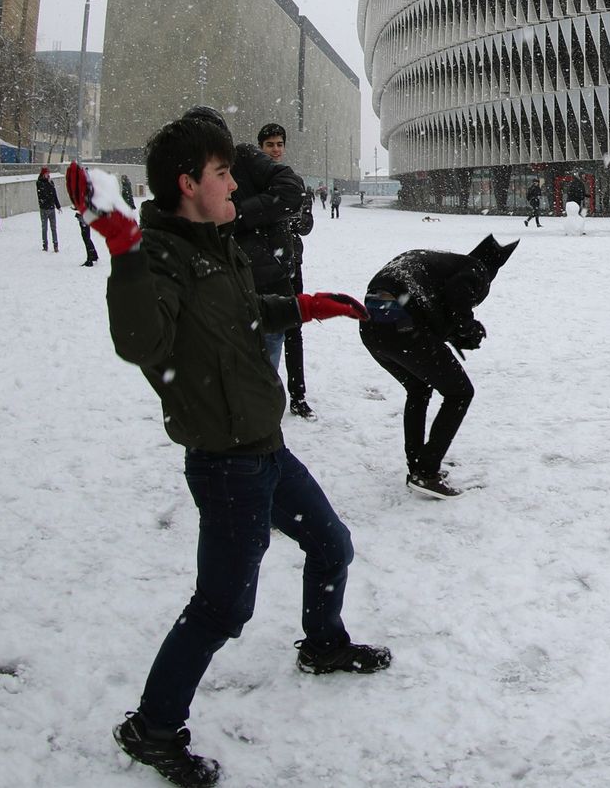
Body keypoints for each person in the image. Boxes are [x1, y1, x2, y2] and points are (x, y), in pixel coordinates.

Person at [85, 115, 386, 788]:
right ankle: (153, 728)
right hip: (226, 465)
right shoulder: (163, 255)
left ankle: (323, 644)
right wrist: (126, 255)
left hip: (266, 447)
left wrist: (306, 305)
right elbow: (140, 342)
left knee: (332, 543)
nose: (234, 184)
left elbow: (248, 312)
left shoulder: (218, 244)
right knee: (221, 609)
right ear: (190, 184)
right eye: (222, 173)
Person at [359, 236, 517, 498]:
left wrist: (455, 332)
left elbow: (431, 304)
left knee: (419, 387)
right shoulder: (475, 269)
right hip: (402, 328)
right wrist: (468, 326)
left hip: (372, 327)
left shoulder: (439, 263)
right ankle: (426, 471)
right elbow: (458, 294)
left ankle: (417, 467)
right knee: (460, 393)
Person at [182, 107, 305, 373]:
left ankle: (290, 398)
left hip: (267, 283)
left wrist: (237, 215)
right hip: (218, 294)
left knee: (265, 370)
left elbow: (291, 190)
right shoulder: (185, 180)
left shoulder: (246, 159)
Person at [259, 124, 316, 419]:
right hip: (262, 267)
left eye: (279, 144)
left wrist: (278, 218)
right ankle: (261, 391)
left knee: (294, 329)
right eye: (270, 144)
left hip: (292, 264)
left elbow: (305, 225)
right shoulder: (254, 181)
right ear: (261, 148)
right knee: (263, 329)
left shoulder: (294, 182)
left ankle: (298, 395)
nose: (276, 149)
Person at [37, 167, 63, 252]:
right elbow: (43, 194)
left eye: (48, 173)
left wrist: (58, 206)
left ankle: (55, 245)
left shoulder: (50, 182)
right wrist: (48, 184)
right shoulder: (39, 183)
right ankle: (45, 245)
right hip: (44, 208)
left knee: (53, 228)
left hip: (51, 208)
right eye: (46, 173)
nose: (48, 175)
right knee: (44, 228)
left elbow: (54, 195)